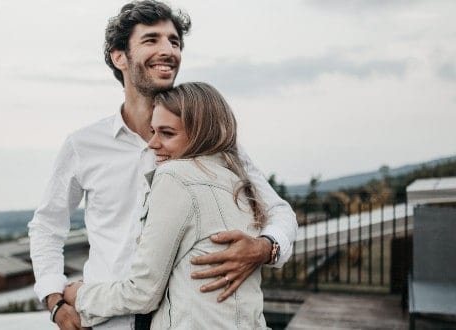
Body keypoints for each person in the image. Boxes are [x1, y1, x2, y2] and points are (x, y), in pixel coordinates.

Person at [27, 1, 297, 329]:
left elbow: (279, 211)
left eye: (174, 41)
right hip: (105, 319)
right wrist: (55, 300)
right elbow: (47, 226)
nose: (168, 49)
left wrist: (264, 247)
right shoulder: (82, 145)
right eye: (151, 39)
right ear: (119, 57)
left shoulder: (212, 142)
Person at [64, 81, 269, 329]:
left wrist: (80, 295)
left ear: (201, 133)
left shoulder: (175, 176)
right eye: (153, 131)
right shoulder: (240, 183)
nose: (152, 144)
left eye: (167, 133)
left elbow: (143, 293)